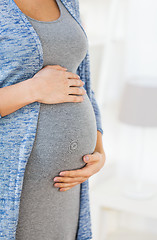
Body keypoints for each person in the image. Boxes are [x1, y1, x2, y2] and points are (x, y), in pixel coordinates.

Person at [0, 0, 106, 239]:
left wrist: (99, 151)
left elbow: (84, 83)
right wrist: (32, 90)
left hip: (69, 187)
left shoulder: (69, 2)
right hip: (15, 183)